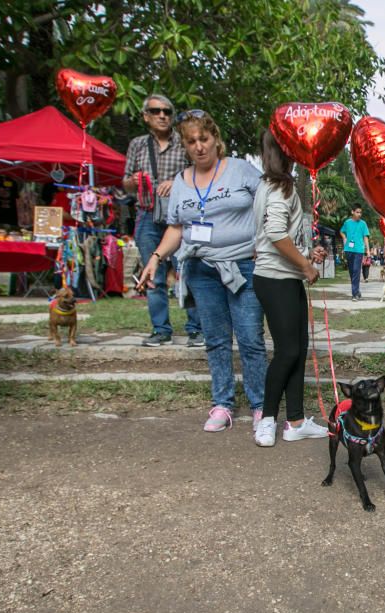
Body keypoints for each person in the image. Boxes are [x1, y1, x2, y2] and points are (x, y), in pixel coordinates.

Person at [137, 110, 266, 433]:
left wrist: (263, 241)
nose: (199, 147)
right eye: (191, 141)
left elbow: (268, 206)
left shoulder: (241, 170)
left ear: (216, 139)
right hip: (201, 269)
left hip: (242, 267)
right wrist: (155, 257)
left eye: (204, 139)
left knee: (250, 338)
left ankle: (260, 404)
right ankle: (222, 403)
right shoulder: (181, 181)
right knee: (216, 339)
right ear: (185, 145)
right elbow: (177, 228)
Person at [251, 130, 330, 447]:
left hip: (285, 277)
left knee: (298, 350)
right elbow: (273, 234)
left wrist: (306, 254)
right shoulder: (280, 185)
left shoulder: (270, 185)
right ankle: (267, 419)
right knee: (288, 352)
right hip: (275, 278)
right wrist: (305, 265)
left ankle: (296, 421)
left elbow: (281, 235)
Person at [123, 94, 204, 348]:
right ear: (146, 116)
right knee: (153, 274)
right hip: (147, 214)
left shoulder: (185, 143)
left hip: (180, 216)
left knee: (187, 270)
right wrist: (133, 182)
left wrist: (177, 181)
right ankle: (161, 330)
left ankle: (196, 329)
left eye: (167, 111)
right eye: (156, 111)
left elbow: (200, 173)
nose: (162, 116)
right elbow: (125, 183)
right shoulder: (137, 145)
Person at [340, 205, 369, 300]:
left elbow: (365, 237)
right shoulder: (347, 222)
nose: (359, 214)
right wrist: (344, 237)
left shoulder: (363, 224)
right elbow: (342, 231)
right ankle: (357, 291)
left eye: (360, 212)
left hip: (359, 250)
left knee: (356, 270)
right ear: (352, 212)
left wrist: (367, 250)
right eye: (357, 212)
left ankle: (354, 294)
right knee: (352, 271)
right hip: (348, 249)